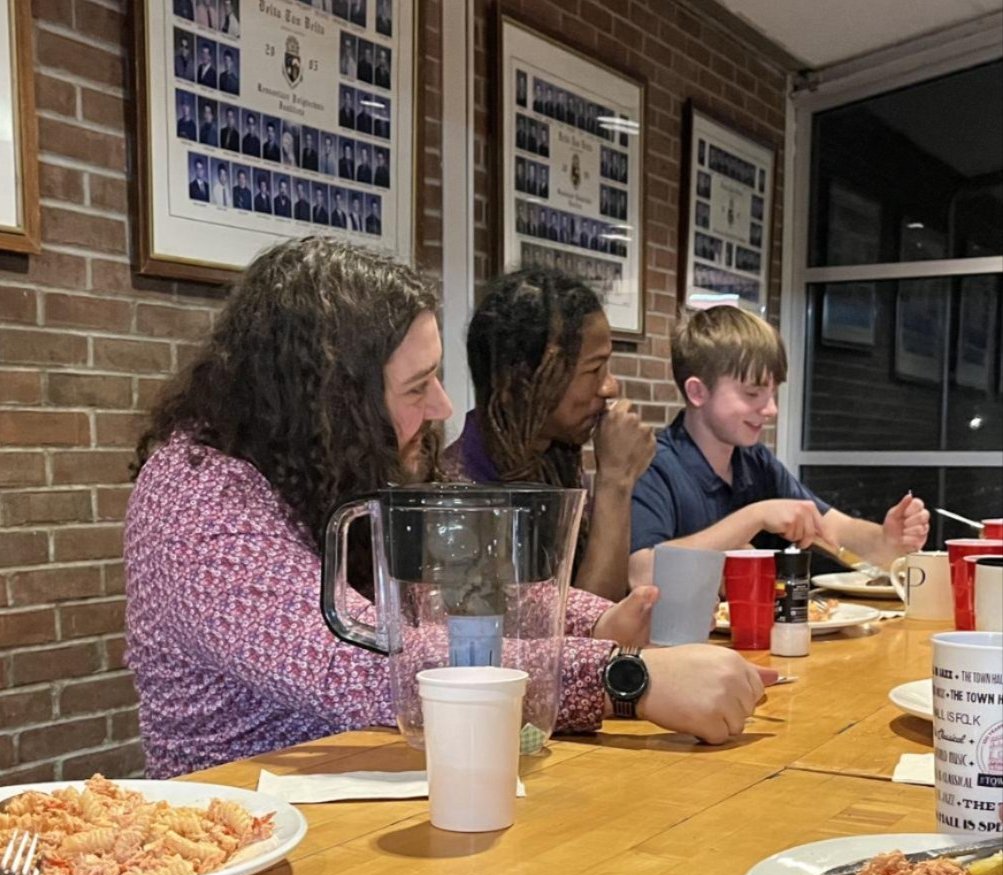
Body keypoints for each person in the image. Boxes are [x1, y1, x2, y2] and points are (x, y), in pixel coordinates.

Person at [125, 237, 775, 777]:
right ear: (327, 401)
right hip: (248, 834)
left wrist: (595, 619)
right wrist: (625, 677)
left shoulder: (321, 467)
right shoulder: (198, 493)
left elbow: (459, 590)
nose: (442, 405)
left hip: (381, 792)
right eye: (417, 387)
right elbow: (351, 664)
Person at [628, 305, 930, 586]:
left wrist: (887, 539)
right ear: (697, 392)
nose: (771, 409)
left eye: (773, 393)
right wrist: (755, 517)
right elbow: (641, 573)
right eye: (752, 394)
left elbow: (834, 529)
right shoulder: (654, 465)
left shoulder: (754, 461)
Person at [444, 267, 655, 603]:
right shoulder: (460, 496)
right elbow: (587, 624)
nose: (610, 386)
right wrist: (616, 480)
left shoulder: (555, 463)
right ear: (522, 381)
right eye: (594, 369)